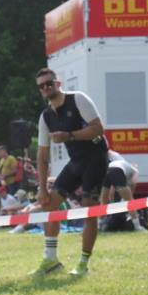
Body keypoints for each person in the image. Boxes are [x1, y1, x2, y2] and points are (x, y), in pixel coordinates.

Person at [32, 68, 109, 277]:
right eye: (42, 86)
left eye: (49, 83)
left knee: (88, 210)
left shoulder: (78, 100)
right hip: (76, 161)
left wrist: (69, 135)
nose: (46, 88)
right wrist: (42, 189)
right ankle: (51, 260)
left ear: (59, 83)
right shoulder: (46, 117)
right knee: (49, 204)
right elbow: (42, 155)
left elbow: (98, 129)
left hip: (96, 158)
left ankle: (83, 263)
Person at [100, 150, 146, 231]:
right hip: (117, 170)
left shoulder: (123, 165)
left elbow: (113, 188)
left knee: (103, 202)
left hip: (107, 170)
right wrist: (125, 199)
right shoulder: (135, 171)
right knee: (130, 202)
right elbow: (133, 185)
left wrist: (112, 202)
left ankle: (98, 225)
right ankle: (138, 227)